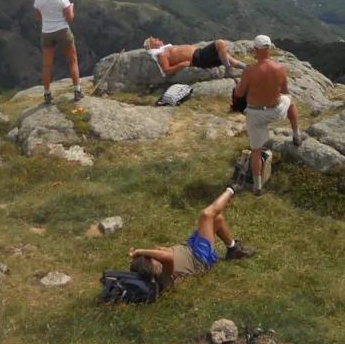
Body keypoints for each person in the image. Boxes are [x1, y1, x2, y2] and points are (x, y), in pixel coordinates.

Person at [129, 183, 256, 293]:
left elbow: (162, 254)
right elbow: (167, 257)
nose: (151, 257)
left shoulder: (156, 268)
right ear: (151, 266)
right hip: (199, 258)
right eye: (149, 259)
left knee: (216, 219)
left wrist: (142, 255)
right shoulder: (162, 278)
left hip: (188, 247)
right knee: (206, 215)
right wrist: (140, 251)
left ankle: (233, 249)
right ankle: (233, 188)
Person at [233, 35, 301, 196]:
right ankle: (297, 135)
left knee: (255, 150)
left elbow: (240, 92)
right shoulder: (279, 69)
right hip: (275, 110)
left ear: (255, 50)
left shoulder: (249, 71)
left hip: (255, 114)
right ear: (269, 49)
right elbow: (285, 91)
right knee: (290, 101)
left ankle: (257, 187)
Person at [33, 0, 83, 104]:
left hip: (47, 32)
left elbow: (38, 16)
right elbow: (69, 18)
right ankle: (77, 90)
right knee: (72, 61)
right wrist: (71, 9)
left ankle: (47, 94)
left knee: (47, 65)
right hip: (62, 30)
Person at [142, 37, 248, 76]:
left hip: (199, 53)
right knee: (219, 43)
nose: (157, 39)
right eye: (154, 40)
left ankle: (248, 68)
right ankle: (228, 69)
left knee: (226, 56)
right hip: (198, 58)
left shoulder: (165, 49)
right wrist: (181, 65)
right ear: (153, 46)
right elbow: (166, 70)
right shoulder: (161, 54)